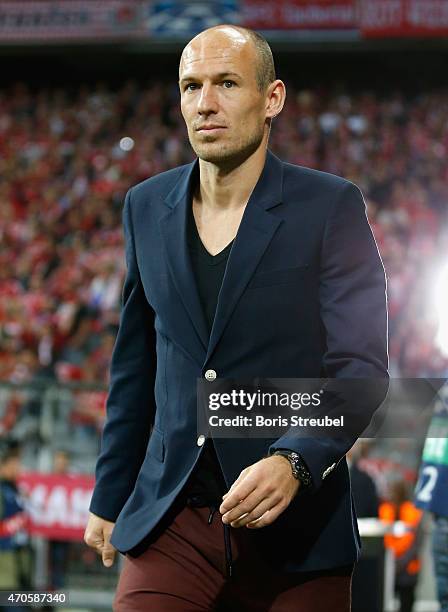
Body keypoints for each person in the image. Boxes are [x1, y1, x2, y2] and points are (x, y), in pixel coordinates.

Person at [84, 24, 388, 611]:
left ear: (271, 98)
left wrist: (296, 459)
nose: (206, 103)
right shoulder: (144, 206)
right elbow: (133, 371)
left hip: (297, 532)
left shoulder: (330, 207)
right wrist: (109, 492)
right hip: (173, 520)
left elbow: (361, 370)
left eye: (226, 83)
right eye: (191, 86)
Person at [0, 438, 32, 612]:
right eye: (14, 464)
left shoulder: (14, 490)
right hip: (4, 567)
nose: (18, 469)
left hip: (17, 563)